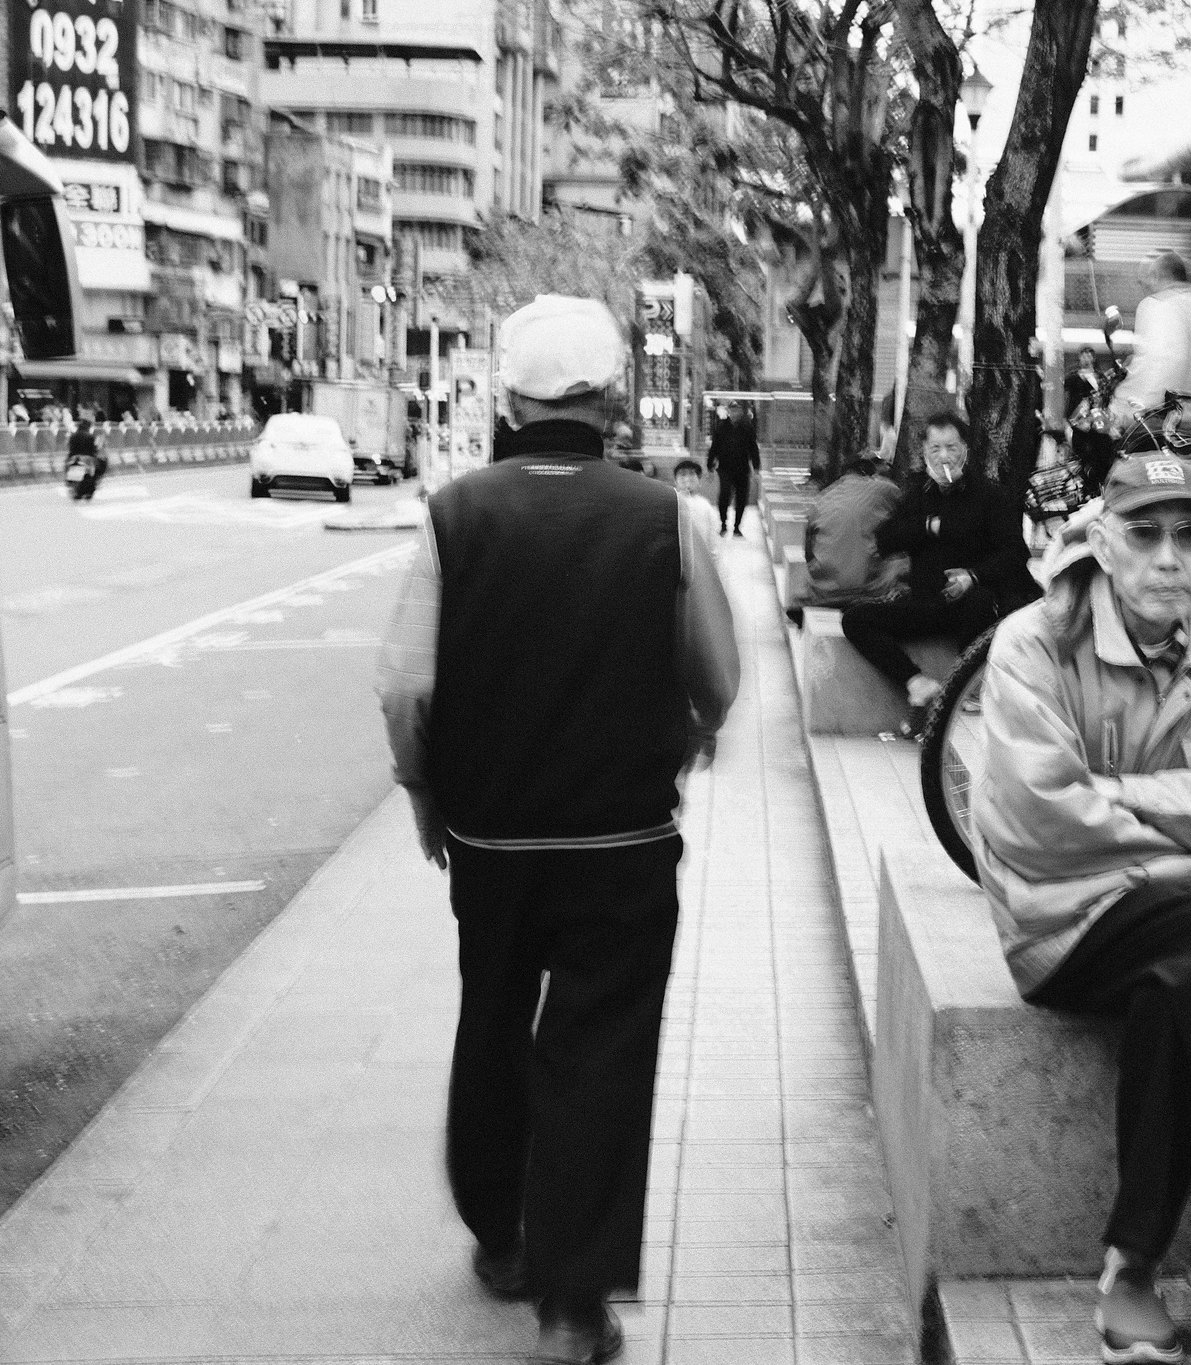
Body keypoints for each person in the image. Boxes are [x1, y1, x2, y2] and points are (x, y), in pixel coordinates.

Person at [374, 294, 740, 1365]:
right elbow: (716, 676)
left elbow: (405, 687)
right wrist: (691, 735)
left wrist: (424, 793)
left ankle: (502, 1237)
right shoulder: (665, 516)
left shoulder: (454, 513)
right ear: (612, 398)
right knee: (601, 1050)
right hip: (623, 841)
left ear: (510, 399)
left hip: (491, 840)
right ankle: (573, 1308)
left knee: (492, 1015)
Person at [971, 455, 1191, 1363]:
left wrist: (1124, 791)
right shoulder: (1032, 643)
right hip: (1063, 920)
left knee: (1182, 973)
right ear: (1101, 541)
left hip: (1182, 931)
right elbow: (1041, 816)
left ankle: (1129, 1268)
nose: (1169, 557)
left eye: (1190, 533)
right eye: (1144, 533)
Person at [840, 411, 1039, 711]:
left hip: (973, 603)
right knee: (855, 619)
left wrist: (973, 576)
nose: (944, 457)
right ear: (924, 452)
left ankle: (973, 686)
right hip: (927, 602)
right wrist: (928, 526)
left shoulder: (990, 496)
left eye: (951, 448)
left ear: (965, 451)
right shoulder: (919, 493)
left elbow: (1015, 553)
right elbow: (885, 540)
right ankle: (916, 682)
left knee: (980, 600)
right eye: (935, 448)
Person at [1111, 250, 1191, 435]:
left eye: (1143, 282)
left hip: (1164, 428)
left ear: (1157, 276)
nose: (1143, 289)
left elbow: (1161, 365)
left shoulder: (1159, 305)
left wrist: (1120, 407)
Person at [788, 452, 906, 620]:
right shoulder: (884, 487)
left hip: (823, 586)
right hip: (865, 585)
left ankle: (825, 599)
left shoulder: (824, 497)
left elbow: (808, 549)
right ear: (868, 473)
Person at [709, 403, 760, 536]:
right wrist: (710, 463)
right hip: (725, 468)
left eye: (737, 410)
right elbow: (714, 446)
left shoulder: (747, 427)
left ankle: (737, 526)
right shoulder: (721, 427)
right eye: (732, 410)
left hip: (742, 469)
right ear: (729, 411)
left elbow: (753, 448)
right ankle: (723, 524)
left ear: (741, 412)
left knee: (742, 498)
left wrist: (756, 467)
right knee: (724, 495)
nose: (734, 413)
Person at [672, 456, 723, 549]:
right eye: (683, 474)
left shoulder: (705, 506)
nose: (687, 478)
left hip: (701, 553)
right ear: (675, 480)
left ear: (699, 481)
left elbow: (713, 535)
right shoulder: (671, 502)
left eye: (692, 474)